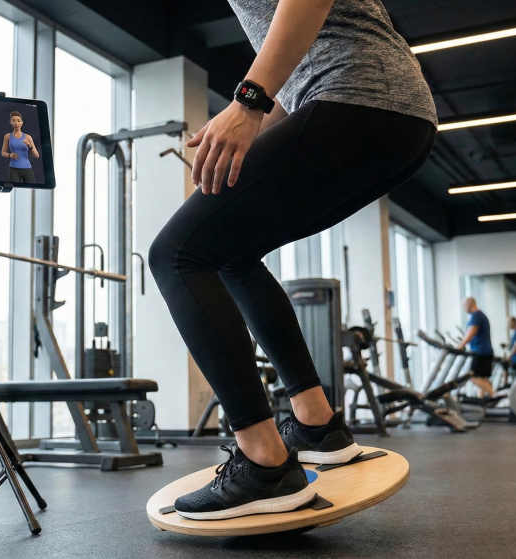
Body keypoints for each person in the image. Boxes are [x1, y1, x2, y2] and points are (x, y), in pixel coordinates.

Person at [147, 0, 436, 520]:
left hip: (357, 98)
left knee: (177, 255)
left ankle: (264, 466)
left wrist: (248, 102)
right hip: (389, 113)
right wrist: (259, 122)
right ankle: (316, 425)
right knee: (231, 254)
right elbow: (306, 64)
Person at [455, 298, 495, 398]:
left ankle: (494, 395)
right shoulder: (482, 315)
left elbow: (471, 331)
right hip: (486, 351)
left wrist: (461, 345)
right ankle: (484, 402)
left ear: (469, 304)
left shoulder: (475, 315)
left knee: (473, 377)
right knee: (483, 379)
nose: (464, 309)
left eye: (464, 306)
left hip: (480, 352)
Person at [1, 111, 39, 183]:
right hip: (14, 169)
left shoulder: (27, 137)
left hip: (27, 168)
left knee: (31, 188)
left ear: (22, 122)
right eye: (13, 121)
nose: (16, 123)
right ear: (10, 122)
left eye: (18, 121)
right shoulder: (7, 136)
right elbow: (3, 152)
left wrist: (29, 146)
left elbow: (36, 155)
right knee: (14, 189)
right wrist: (9, 155)